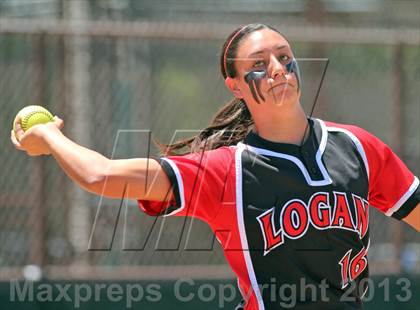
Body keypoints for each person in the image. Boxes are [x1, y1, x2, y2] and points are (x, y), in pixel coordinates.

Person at [11, 23, 419, 310]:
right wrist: (49, 136)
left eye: (285, 57)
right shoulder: (225, 171)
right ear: (236, 86)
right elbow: (100, 175)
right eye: (259, 64)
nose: (277, 68)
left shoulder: (358, 148)